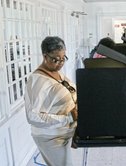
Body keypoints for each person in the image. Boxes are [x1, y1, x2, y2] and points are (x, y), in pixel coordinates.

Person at [24, 36, 78, 166]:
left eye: (63, 58)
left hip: (64, 132)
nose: (60, 63)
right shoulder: (37, 80)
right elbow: (32, 116)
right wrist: (68, 119)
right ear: (45, 56)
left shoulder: (56, 72)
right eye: (55, 59)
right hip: (51, 137)